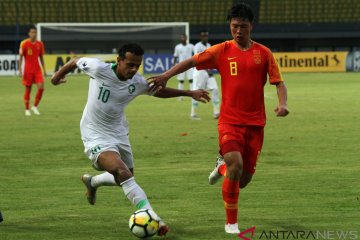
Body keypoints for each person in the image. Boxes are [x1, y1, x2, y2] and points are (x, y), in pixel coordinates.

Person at [147, 3, 289, 234]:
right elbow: (191, 62)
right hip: (229, 122)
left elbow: (279, 83)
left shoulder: (263, 53)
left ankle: (221, 167)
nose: (238, 31)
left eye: (243, 26)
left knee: (242, 180)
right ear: (230, 26)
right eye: (234, 26)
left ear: (251, 26)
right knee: (236, 164)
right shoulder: (221, 50)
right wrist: (166, 75)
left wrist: (282, 103)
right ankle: (231, 223)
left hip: (255, 124)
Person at [51, 43, 210, 236]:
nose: (134, 69)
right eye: (130, 64)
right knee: (122, 172)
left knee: (125, 177)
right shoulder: (98, 68)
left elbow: (157, 91)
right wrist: (57, 76)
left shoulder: (137, 81)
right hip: (94, 133)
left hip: (119, 132)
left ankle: (92, 182)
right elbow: (75, 61)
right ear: (119, 60)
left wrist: (188, 92)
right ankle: (154, 218)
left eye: (138, 65)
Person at [191, 30, 220, 120]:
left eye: (206, 36)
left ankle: (216, 112)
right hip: (199, 72)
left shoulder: (209, 46)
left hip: (208, 72)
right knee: (196, 92)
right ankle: (193, 113)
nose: (205, 37)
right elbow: (198, 61)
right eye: (203, 36)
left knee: (215, 89)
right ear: (200, 37)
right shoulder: (197, 46)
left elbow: (211, 60)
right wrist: (208, 70)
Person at [19, 25, 46, 116]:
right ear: (28, 33)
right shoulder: (24, 43)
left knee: (41, 88)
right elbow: (21, 58)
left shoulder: (40, 44)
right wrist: (19, 70)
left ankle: (34, 107)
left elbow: (41, 57)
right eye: (31, 32)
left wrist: (44, 69)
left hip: (37, 70)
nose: (33, 34)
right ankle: (27, 109)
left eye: (34, 32)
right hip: (28, 70)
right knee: (28, 89)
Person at [173, 34, 194, 100]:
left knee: (191, 80)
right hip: (181, 66)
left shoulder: (191, 46)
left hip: (190, 66)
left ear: (186, 38)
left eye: (184, 37)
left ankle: (192, 95)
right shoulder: (177, 47)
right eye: (182, 37)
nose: (183, 39)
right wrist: (174, 65)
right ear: (180, 38)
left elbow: (195, 54)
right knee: (181, 81)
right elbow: (175, 56)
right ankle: (180, 97)